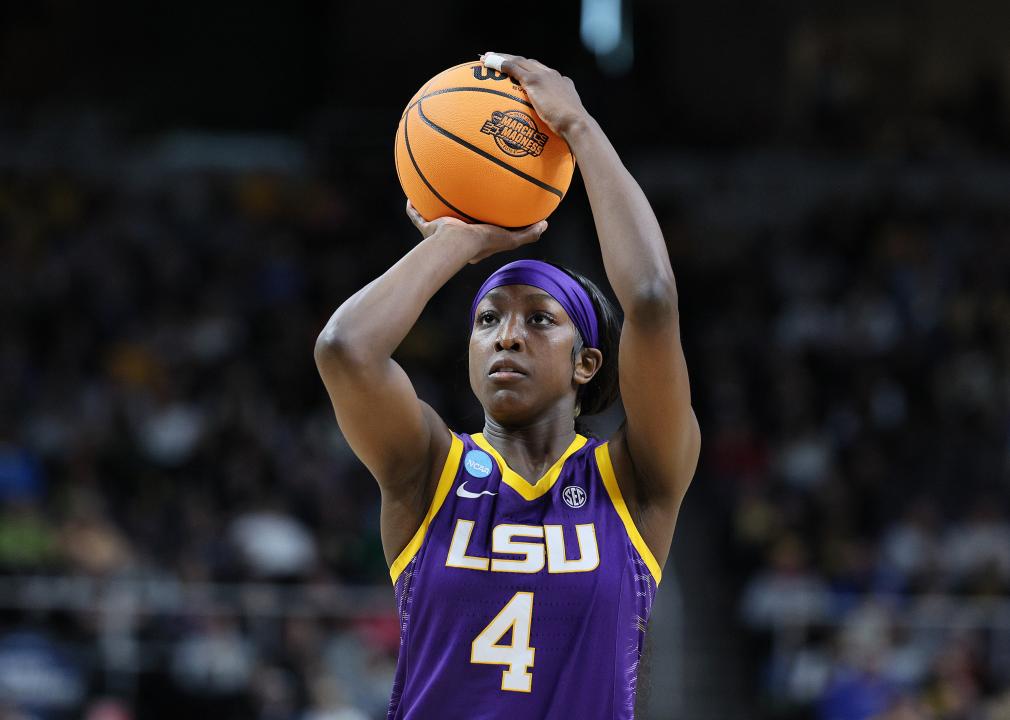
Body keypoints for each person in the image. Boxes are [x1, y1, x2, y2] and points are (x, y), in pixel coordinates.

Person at [314, 51, 701, 719]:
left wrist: (579, 126)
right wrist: (457, 241)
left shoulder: (635, 483)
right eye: (487, 319)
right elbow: (346, 350)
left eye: (539, 320)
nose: (507, 336)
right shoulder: (428, 468)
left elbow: (652, 297)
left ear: (587, 364)